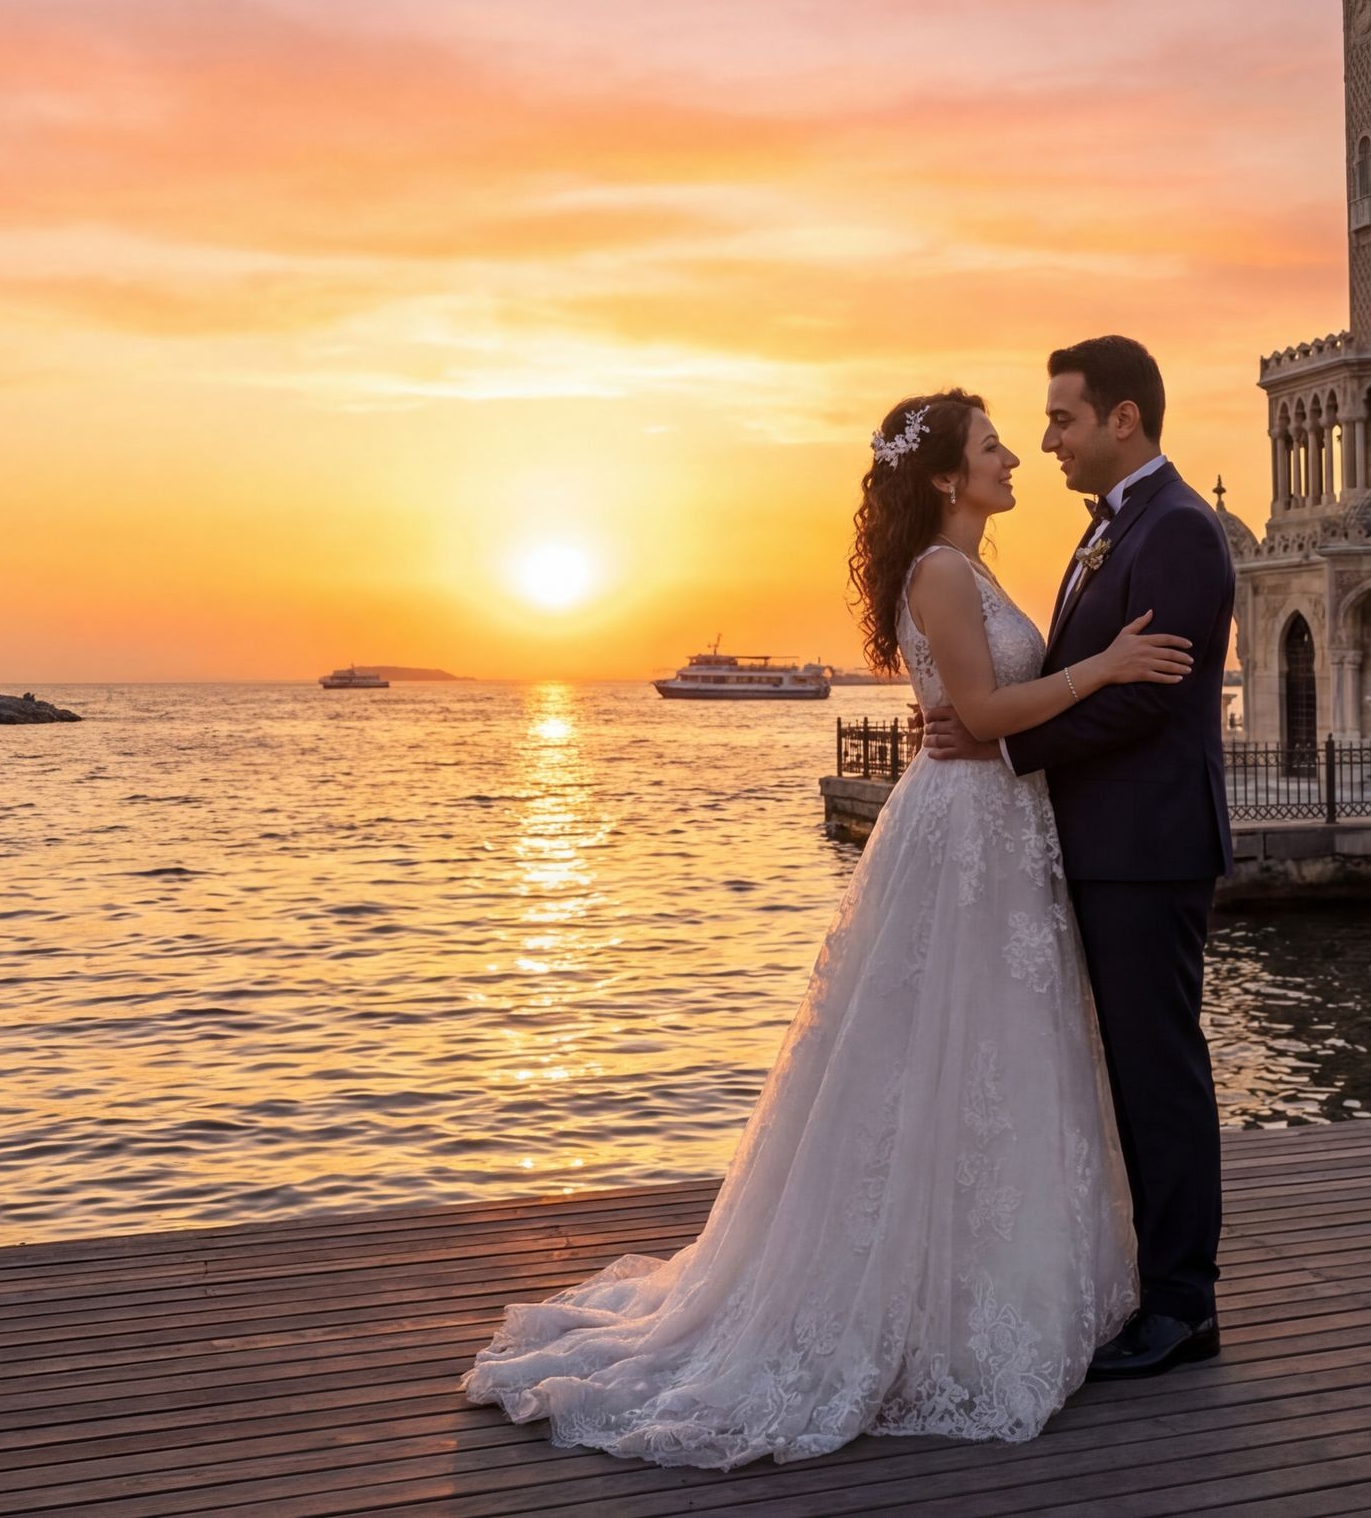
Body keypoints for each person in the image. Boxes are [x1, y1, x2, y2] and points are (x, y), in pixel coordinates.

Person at [461, 388, 1192, 1468]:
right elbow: (984, 716)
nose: (1015, 460)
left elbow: (971, 702)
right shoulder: (944, 572)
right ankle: (919, 1304)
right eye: (994, 447)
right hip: (967, 826)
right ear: (946, 476)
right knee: (947, 1048)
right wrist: (1107, 667)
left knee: (985, 1050)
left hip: (996, 826)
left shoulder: (968, 571)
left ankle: (986, 1288)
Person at [921, 335, 1237, 1380]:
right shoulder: (1108, 532)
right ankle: (1141, 1286)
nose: (1044, 440)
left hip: (1147, 848)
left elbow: (1146, 697)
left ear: (1123, 420)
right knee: (1124, 1071)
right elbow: (1077, 675)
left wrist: (1005, 741)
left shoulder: (1180, 531)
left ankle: (1184, 1303)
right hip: (1097, 843)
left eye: (1060, 418)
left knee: (1159, 1071)